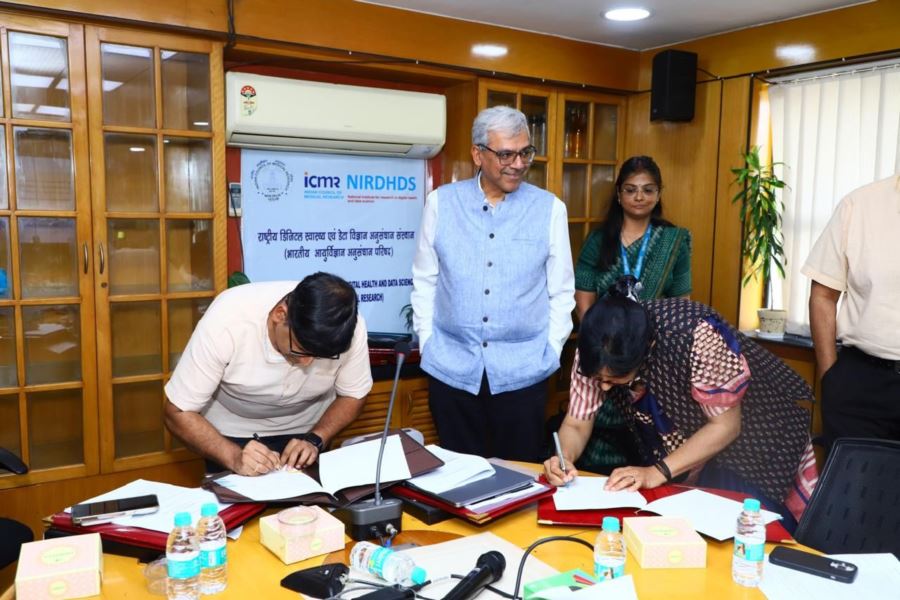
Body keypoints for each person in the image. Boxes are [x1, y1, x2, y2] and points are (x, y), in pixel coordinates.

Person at [544, 278, 818, 529]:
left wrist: (656, 472)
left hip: (757, 441)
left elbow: (725, 426)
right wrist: (564, 457)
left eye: (613, 379)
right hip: (692, 447)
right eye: (598, 379)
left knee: (753, 531)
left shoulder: (695, 334)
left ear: (644, 351)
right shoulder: (594, 349)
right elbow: (577, 423)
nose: (603, 387)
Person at [411, 105, 575, 462]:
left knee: (519, 475)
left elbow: (561, 291)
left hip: (524, 373)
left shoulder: (550, 209)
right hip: (451, 369)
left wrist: (551, 349)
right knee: (457, 475)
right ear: (477, 154)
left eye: (525, 153)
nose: (517, 164)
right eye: (505, 154)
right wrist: (427, 342)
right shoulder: (441, 203)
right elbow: (425, 278)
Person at [164, 272, 373, 476]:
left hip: (310, 430)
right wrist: (233, 457)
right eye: (302, 350)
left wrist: (317, 438)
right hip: (230, 434)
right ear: (280, 315)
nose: (308, 363)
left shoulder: (345, 327)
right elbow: (178, 412)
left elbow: (353, 394)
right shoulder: (228, 320)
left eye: (321, 356)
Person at [572, 156, 692, 473]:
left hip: (653, 361)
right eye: (631, 189)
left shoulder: (674, 241)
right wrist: (606, 348)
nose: (640, 197)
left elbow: (681, 305)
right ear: (618, 193)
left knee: (652, 446)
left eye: (648, 190)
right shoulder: (599, 241)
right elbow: (584, 300)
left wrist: (645, 355)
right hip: (605, 358)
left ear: (659, 193)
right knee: (596, 451)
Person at [802, 175, 900, 448]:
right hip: (861, 385)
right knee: (853, 476)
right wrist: (829, 377)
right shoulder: (858, 206)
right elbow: (823, 296)